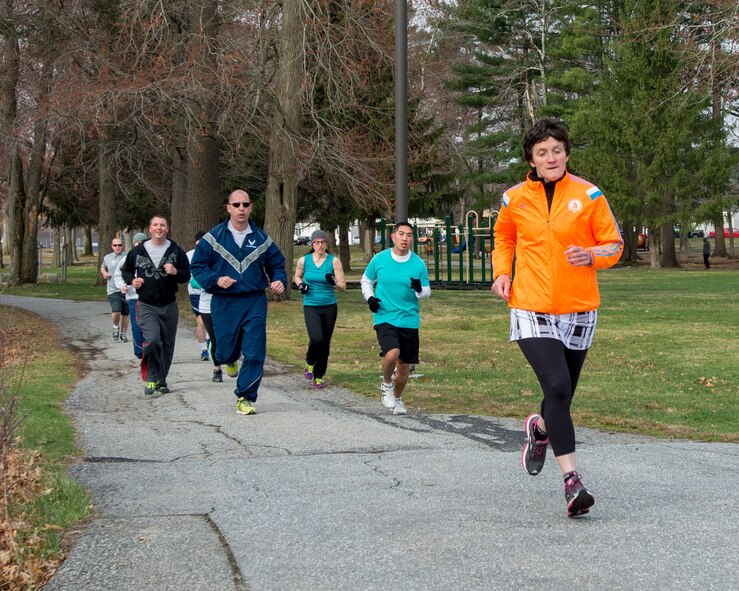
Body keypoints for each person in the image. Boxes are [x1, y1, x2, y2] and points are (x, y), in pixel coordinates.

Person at [491, 118, 623, 518]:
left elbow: (613, 244)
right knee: (558, 385)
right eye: (542, 152)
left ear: (567, 153)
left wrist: (594, 256)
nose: (551, 157)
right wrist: (502, 271)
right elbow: (504, 237)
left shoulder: (590, 195)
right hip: (530, 304)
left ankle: (541, 430)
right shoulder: (514, 199)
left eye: (557, 150)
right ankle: (572, 482)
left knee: (560, 397)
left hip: (579, 306)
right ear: (531, 158)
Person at [190, 189, 287, 416]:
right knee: (225, 350)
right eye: (236, 205)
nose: (241, 208)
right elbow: (198, 267)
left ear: (251, 207)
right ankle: (227, 359)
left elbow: (277, 265)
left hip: (254, 300)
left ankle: (245, 397)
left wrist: (279, 281)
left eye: (245, 204)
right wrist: (216, 279)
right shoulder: (213, 238)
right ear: (229, 208)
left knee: (254, 352)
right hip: (224, 302)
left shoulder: (262, 239)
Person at [360, 221, 430, 415]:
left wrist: (418, 289)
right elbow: (366, 280)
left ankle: (397, 398)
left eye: (409, 235)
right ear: (393, 237)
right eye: (401, 234)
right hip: (385, 314)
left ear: (412, 239)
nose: (404, 238)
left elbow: (426, 292)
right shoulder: (380, 259)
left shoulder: (418, 263)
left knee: (404, 366)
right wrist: (370, 298)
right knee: (392, 353)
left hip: (408, 318)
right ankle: (386, 384)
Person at [120, 215, 190, 396]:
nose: (159, 228)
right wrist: (132, 280)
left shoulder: (175, 250)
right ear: (149, 229)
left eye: (162, 225)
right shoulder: (139, 251)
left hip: (169, 305)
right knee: (152, 341)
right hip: (146, 305)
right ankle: (151, 377)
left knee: (167, 344)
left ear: (167, 229)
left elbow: (186, 275)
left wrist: (175, 271)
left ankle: (161, 380)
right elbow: (125, 270)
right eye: (155, 225)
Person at [293, 229, 347, 389]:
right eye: (317, 242)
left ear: (326, 244)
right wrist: (301, 285)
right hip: (311, 305)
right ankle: (310, 362)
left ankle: (318, 376)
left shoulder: (334, 261)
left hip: (329, 306)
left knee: (325, 343)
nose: (320, 245)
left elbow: (343, 287)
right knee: (317, 339)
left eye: (323, 242)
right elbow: (297, 276)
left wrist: (333, 283)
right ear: (312, 243)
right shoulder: (304, 260)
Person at [113, 232, 148, 372]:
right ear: (133, 244)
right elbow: (118, 274)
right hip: (134, 299)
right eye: (137, 243)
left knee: (150, 327)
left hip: (151, 299)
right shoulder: (128, 257)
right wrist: (122, 285)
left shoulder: (152, 257)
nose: (139, 246)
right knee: (137, 327)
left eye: (142, 243)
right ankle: (140, 353)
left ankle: (151, 352)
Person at [187, 231, 210, 361]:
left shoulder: (212, 255)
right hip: (195, 293)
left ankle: (210, 341)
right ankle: (204, 349)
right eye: (198, 243)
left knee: (210, 321)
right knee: (201, 320)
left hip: (209, 292)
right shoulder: (189, 255)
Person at [101, 238, 129, 343]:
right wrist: (104, 273)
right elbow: (103, 267)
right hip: (113, 289)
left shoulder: (128, 257)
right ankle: (116, 327)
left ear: (123, 246)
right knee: (116, 310)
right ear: (112, 246)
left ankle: (123, 334)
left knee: (125, 314)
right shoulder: (107, 257)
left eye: (119, 245)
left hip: (126, 289)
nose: (117, 247)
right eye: (115, 245)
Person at [197, 288, 223, 382]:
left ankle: (231, 359)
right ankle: (217, 369)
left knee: (229, 336)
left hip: (227, 303)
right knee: (214, 338)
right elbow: (194, 283)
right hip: (206, 306)